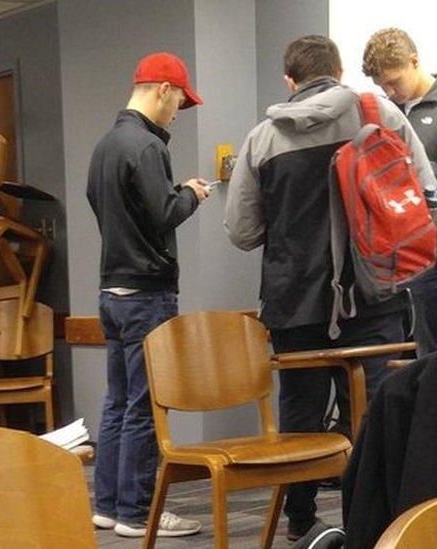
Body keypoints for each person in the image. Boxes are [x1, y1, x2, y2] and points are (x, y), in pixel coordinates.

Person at [225, 35, 436, 542]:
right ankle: (385, 524)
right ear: (339, 72)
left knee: (300, 416)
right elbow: (425, 195)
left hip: (295, 302)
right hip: (374, 294)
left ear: (289, 81)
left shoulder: (261, 139)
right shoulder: (380, 113)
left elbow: (242, 232)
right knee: (380, 409)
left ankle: (303, 522)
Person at [87, 51, 210, 539]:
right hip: (146, 297)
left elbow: (114, 206)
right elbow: (163, 215)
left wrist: (173, 192)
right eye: (180, 98)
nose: (178, 109)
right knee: (144, 406)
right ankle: (140, 514)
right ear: (162, 89)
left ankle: (110, 506)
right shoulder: (148, 146)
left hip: (111, 292)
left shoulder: (105, 145)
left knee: (117, 403)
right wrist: (192, 195)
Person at [362, 28, 437, 356]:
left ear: (414, 61)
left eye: (394, 82)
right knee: (403, 359)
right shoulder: (380, 116)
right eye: (382, 86)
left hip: (432, 248)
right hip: (396, 256)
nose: (389, 92)